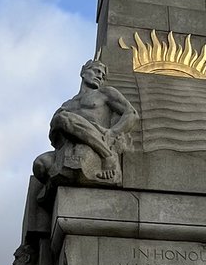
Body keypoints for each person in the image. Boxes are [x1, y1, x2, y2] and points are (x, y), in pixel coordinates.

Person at [33, 59, 138, 187]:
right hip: (67, 145)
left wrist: (112, 132)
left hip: (98, 139)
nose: (100, 76)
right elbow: (54, 137)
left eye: (103, 75)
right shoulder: (67, 104)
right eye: (96, 71)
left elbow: (132, 114)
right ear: (83, 72)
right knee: (40, 164)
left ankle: (107, 156)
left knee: (64, 118)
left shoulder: (105, 93)